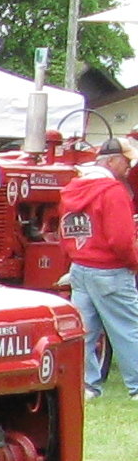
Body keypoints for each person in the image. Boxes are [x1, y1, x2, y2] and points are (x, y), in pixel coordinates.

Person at [67, 141, 138, 398]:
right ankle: (137, 387)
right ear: (111, 162)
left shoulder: (73, 189)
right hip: (111, 270)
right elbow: (121, 238)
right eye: (126, 161)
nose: (129, 167)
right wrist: (134, 263)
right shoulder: (112, 191)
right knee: (128, 330)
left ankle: (87, 386)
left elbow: (67, 230)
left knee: (83, 332)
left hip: (80, 267)